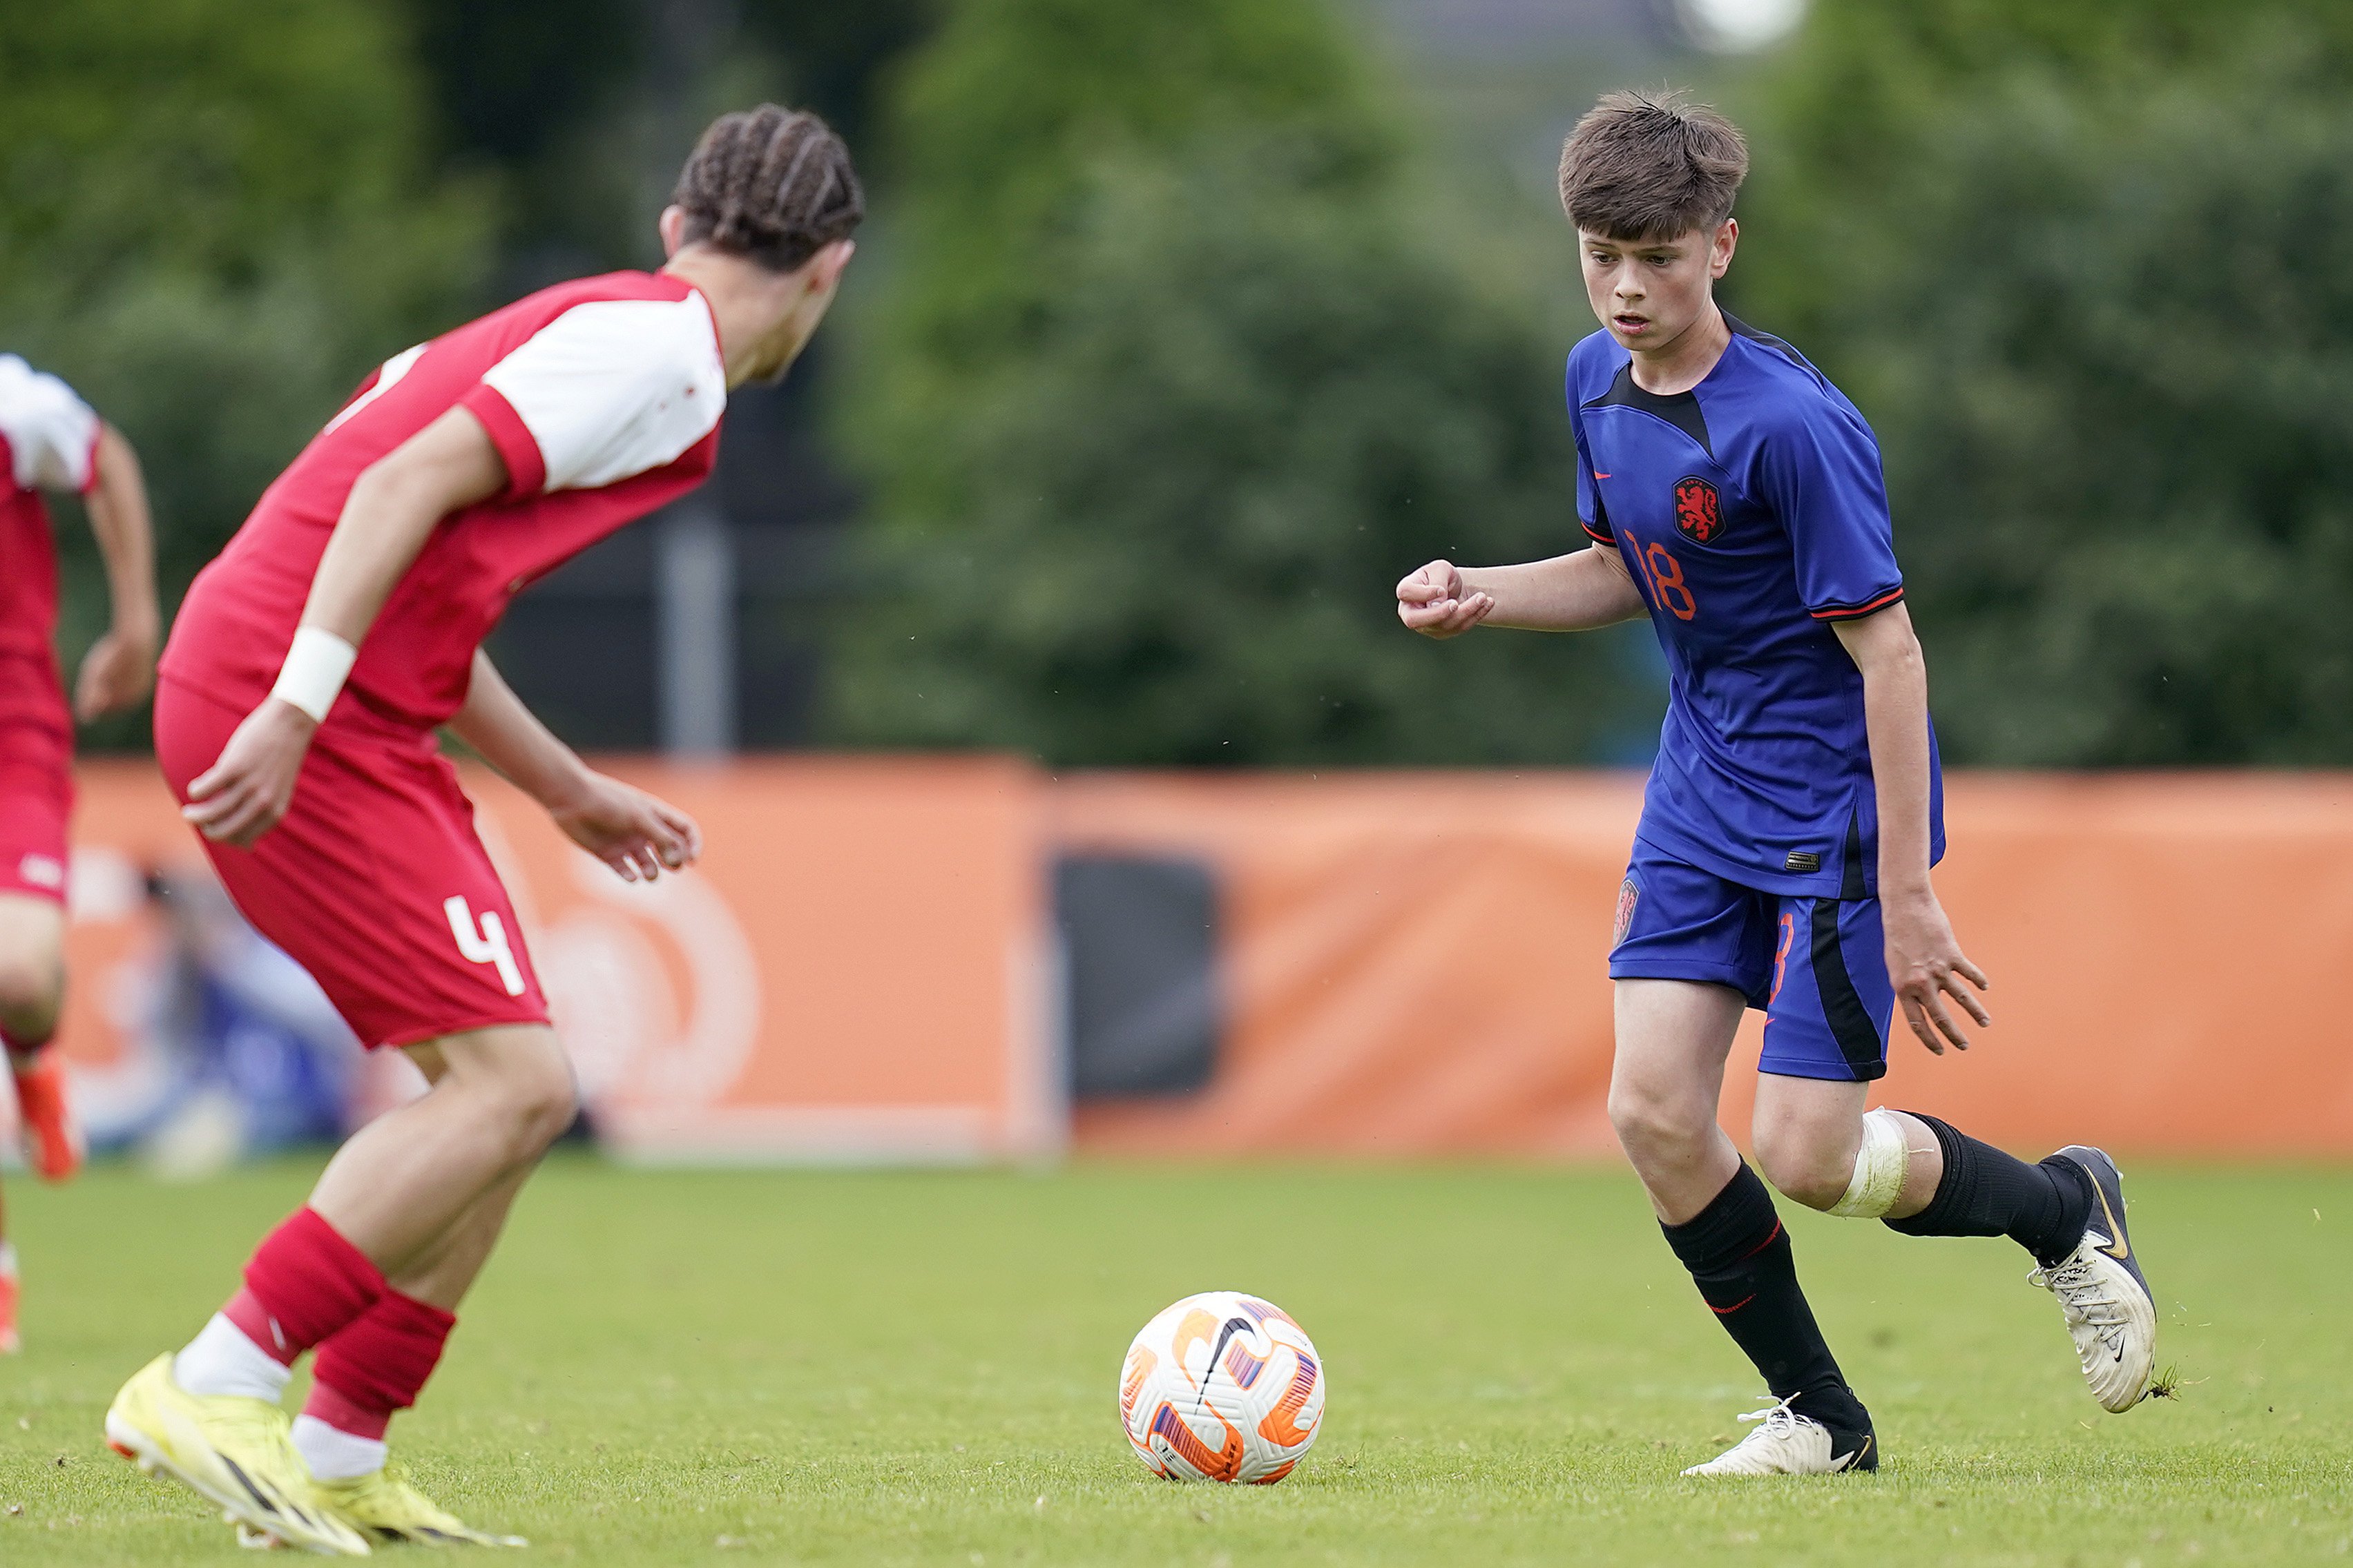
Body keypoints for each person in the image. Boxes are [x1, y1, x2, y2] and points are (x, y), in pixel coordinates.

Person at [102, 104, 861, 1551]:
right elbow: (393, 488)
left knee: (508, 1084)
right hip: (296, 703)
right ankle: (216, 1376)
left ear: (673, 225)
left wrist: (562, 784)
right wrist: (295, 705)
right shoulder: (659, 352)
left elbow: (432, 584)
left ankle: (336, 1446)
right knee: (514, 1084)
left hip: (340, 704)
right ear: (827, 270)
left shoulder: (631, 335)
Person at [1394, 90, 2157, 1477]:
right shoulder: (1590, 381)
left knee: (1808, 1152)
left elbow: (1893, 652)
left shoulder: (1795, 427)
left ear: (1722, 247)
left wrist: (1911, 889)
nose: (1628, 286)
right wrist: (1481, 595)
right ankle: (1825, 1420)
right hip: (1699, 789)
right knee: (1652, 1110)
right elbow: (1636, 566)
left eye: (1661, 256)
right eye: (1600, 252)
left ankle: (2062, 1206)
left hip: (1837, 815)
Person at [0, 354, 159, 1354]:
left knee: (18, 978)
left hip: (14, 739)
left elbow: (110, 462)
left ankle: (32, 1057)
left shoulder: (13, 406)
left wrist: (138, 618)